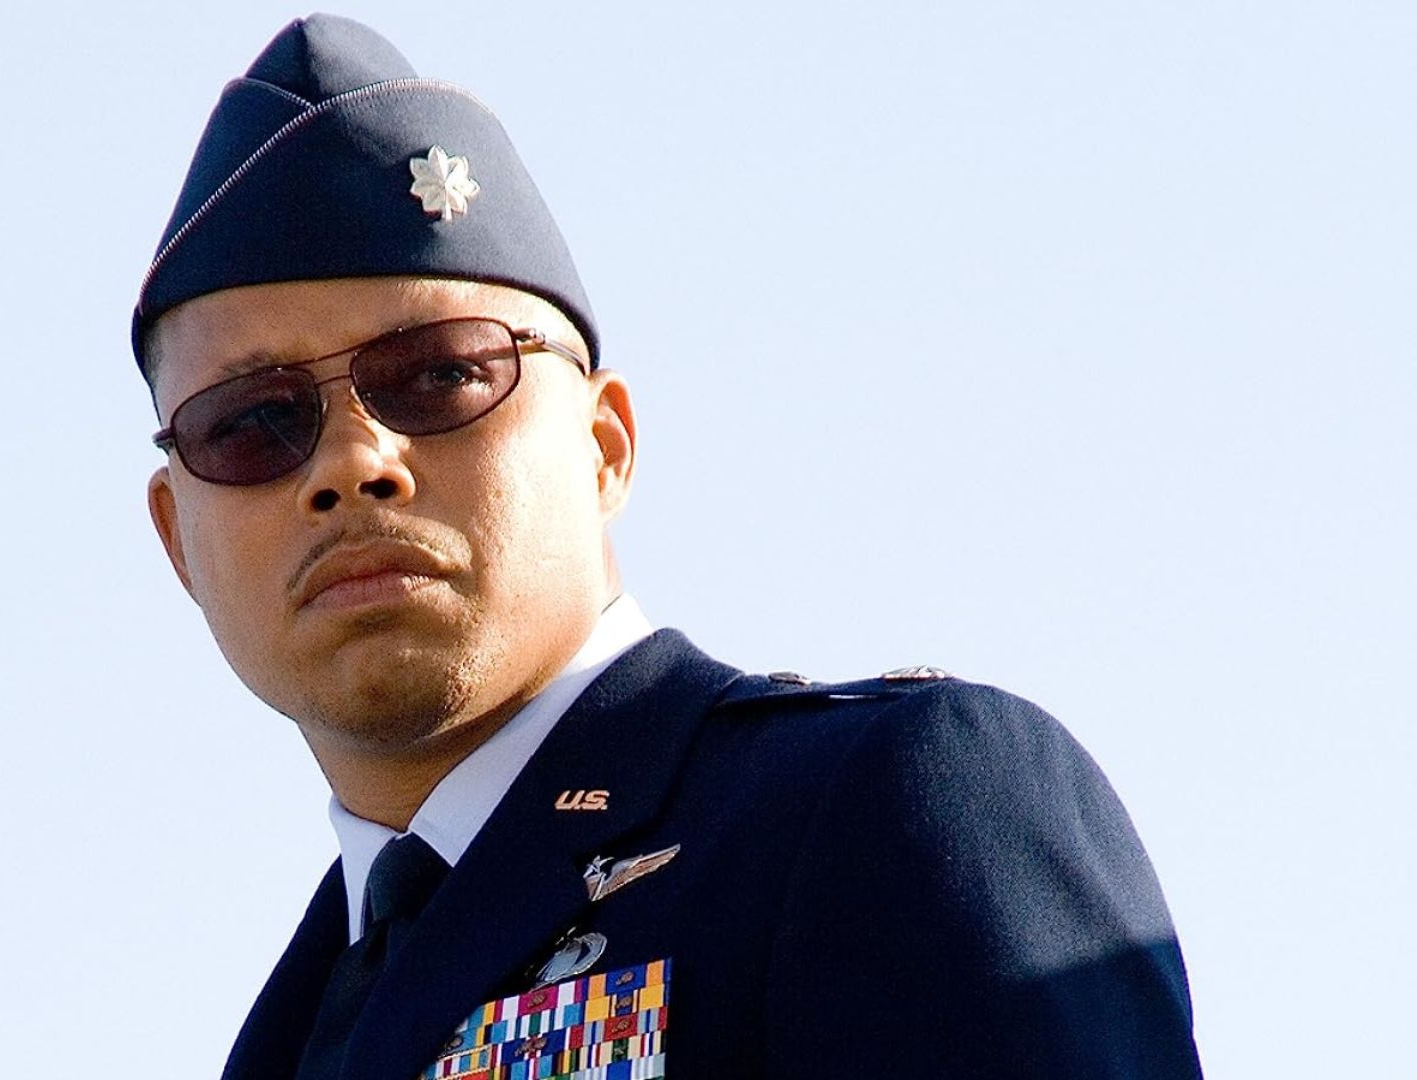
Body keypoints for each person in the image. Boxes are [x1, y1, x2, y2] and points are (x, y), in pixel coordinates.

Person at [132, 14, 1202, 1080]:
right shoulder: (288, 1036)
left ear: (604, 447)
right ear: (179, 541)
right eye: (251, 422)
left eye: (440, 375)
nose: (353, 462)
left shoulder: (884, 809)